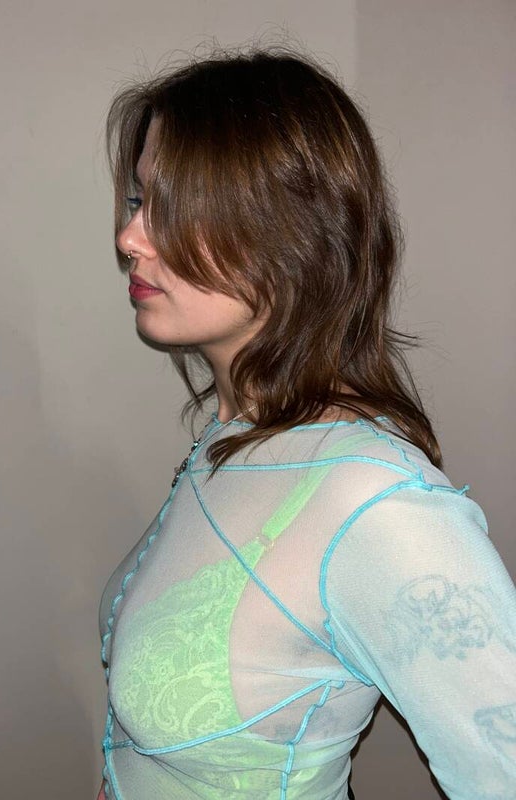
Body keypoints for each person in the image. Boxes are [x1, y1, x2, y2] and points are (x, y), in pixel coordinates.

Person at [97, 48, 516, 800]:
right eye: (138, 199)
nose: (131, 237)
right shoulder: (237, 436)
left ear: (294, 235)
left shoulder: (379, 505)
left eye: (176, 207)